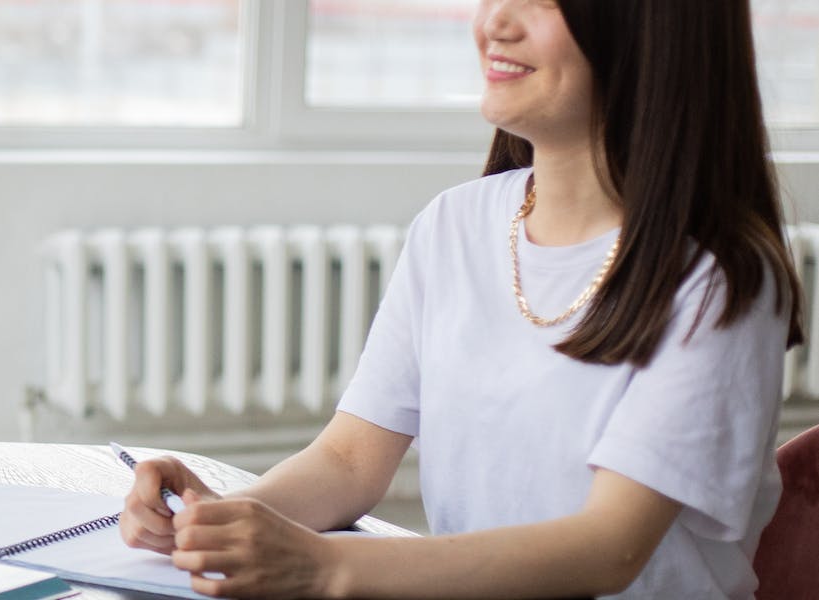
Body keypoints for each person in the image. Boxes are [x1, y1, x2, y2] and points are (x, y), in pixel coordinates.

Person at [117, 1, 806, 598]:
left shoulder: (720, 279)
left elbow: (607, 549)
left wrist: (327, 566)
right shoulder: (451, 225)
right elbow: (349, 462)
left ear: (650, 28)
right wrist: (219, 522)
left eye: (539, 1)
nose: (491, 23)